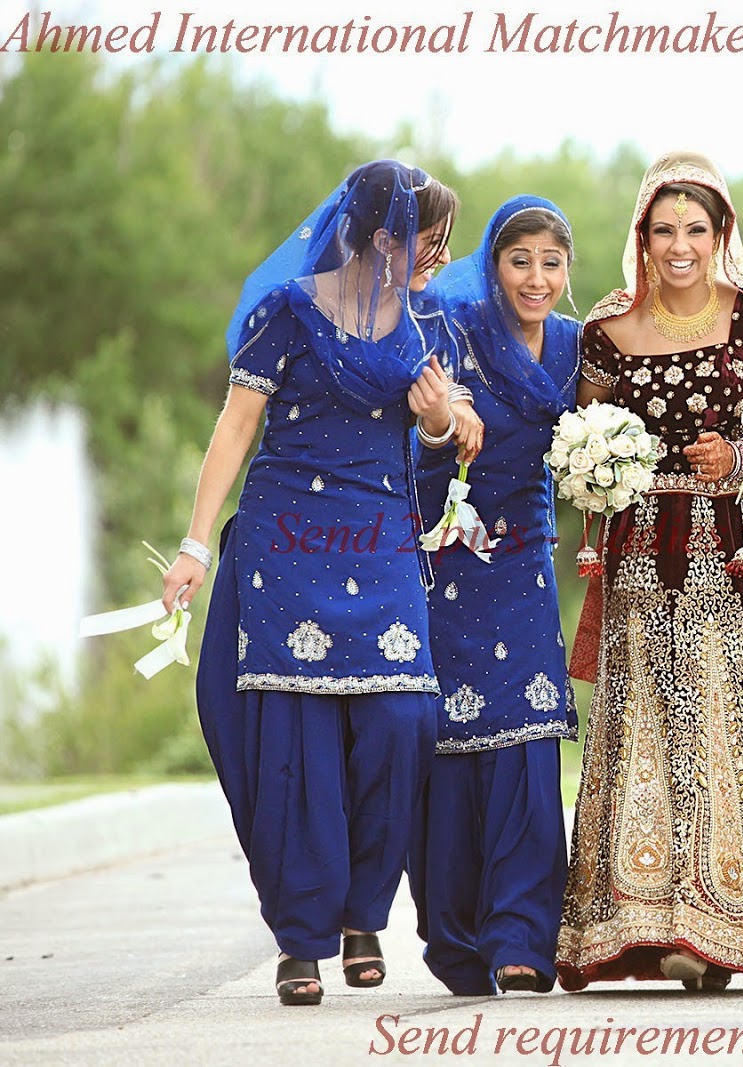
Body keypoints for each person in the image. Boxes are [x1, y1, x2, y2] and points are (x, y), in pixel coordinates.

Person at [556, 151, 743, 992]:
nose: (680, 246)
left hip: (730, 548)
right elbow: (583, 432)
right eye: (664, 230)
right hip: (638, 554)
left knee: (730, 718)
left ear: (721, 231)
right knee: (645, 721)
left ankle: (725, 918)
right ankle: (645, 925)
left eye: (696, 228)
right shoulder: (607, 328)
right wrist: (596, 470)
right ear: (643, 236)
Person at [159, 160, 461, 1005]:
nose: (441, 255)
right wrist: (195, 545)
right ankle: (302, 937)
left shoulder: (429, 321)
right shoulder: (285, 311)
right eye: (429, 238)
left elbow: (445, 430)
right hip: (286, 540)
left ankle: (364, 910)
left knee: (402, 721)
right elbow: (235, 429)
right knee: (295, 742)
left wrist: (439, 416)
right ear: (383, 236)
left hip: (381, 538)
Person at [407, 195, 582, 996]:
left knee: (529, 733)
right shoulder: (454, 327)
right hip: (448, 555)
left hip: (525, 561)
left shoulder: (575, 346)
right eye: (520, 261)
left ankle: (522, 936)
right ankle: (456, 940)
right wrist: (447, 418)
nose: (536, 278)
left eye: (551, 262)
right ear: (493, 265)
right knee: (451, 740)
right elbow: (422, 420)